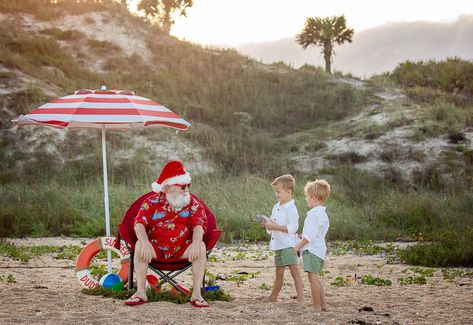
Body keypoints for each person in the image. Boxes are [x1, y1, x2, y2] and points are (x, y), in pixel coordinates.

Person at [125, 160, 209, 308]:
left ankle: (196, 294)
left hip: (182, 250)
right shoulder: (151, 202)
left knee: (201, 246)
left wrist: (196, 242)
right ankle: (140, 292)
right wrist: (144, 242)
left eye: (188, 186)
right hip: (155, 249)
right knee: (139, 245)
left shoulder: (193, 203)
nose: (186, 190)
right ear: (168, 187)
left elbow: (199, 225)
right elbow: (139, 224)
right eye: (183, 186)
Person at [260, 174, 304, 304]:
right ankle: (273, 297)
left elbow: (293, 228)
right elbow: (275, 224)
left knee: (294, 271)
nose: (276, 194)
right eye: (275, 191)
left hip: (288, 245)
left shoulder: (292, 209)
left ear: (289, 192)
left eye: (278, 191)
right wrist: (268, 224)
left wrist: (275, 226)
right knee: (278, 273)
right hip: (278, 245)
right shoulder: (276, 206)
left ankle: (301, 299)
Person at [293, 179, 331, 311]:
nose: (306, 199)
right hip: (319, 249)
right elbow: (315, 233)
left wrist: (297, 246)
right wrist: (302, 236)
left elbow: (309, 236)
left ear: (313, 198)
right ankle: (323, 305)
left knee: (312, 277)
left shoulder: (313, 215)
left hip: (312, 250)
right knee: (315, 277)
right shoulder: (322, 214)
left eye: (307, 196)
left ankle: (316, 306)